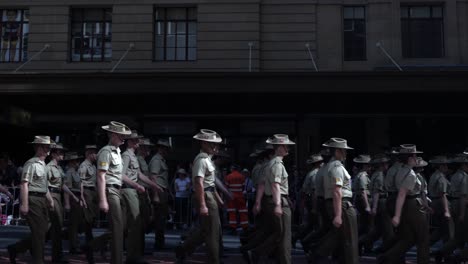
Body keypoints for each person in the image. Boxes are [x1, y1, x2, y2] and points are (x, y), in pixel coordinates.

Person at [84, 121, 131, 264]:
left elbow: (119, 175)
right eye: (121, 135)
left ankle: (91, 246)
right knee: (117, 229)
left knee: (121, 227)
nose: (124, 138)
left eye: (124, 136)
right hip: (110, 191)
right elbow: (101, 175)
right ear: (113, 135)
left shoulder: (117, 151)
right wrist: (103, 199)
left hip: (118, 190)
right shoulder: (106, 151)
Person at [245, 134, 295, 264]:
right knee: (284, 236)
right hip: (278, 201)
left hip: (270, 200)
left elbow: (262, 184)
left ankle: (257, 252)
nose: (288, 149)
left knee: (276, 232)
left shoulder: (268, 164)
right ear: (279, 147)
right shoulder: (277, 164)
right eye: (286, 146)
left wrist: (258, 203)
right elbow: (275, 185)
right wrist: (278, 204)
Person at [175, 129, 223, 264]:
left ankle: (183, 248)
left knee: (206, 230)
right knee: (212, 233)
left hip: (210, 194)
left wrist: (218, 199)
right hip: (205, 196)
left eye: (215, 144)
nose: (215, 147)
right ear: (203, 143)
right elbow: (198, 182)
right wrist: (202, 204)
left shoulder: (207, 159)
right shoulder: (201, 160)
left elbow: (211, 183)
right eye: (211, 144)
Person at [7, 136, 55, 264]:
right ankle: (39, 260)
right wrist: (24, 204)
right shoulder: (31, 163)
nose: (48, 150)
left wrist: (50, 200)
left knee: (43, 231)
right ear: (38, 147)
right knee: (39, 233)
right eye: (45, 147)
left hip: (41, 200)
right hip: (32, 199)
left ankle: (16, 248)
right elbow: (24, 184)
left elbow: (44, 186)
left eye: (49, 147)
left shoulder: (43, 164)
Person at [378, 144, 429, 264]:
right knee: (423, 237)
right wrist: (397, 215)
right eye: (415, 156)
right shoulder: (410, 173)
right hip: (412, 204)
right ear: (410, 158)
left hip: (406, 203)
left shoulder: (400, 169)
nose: (417, 158)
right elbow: (402, 193)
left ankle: (386, 258)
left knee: (408, 238)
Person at [312, 137, 359, 264]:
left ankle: (317, 254)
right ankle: (318, 254)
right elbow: (337, 191)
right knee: (350, 239)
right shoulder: (337, 166)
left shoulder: (329, 166)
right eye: (344, 150)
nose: (346, 153)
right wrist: (338, 215)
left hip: (337, 203)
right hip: (342, 204)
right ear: (338, 151)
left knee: (339, 236)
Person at [121, 130, 161, 263]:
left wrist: (154, 185)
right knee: (132, 225)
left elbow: (140, 175)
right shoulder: (126, 155)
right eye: (136, 140)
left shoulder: (132, 155)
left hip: (134, 191)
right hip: (129, 190)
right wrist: (137, 186)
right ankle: (132, 257)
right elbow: (122, 175)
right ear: (130, 142)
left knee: (135, 225)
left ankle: (134, 256)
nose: (139, 142)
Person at [46, 144, 79, 263]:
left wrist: (73, 196)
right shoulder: (48, 167)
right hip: (51, 195)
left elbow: (62, 185)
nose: (62, 155)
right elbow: (46, 186)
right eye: (60, 153)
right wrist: (50, 201)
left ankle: (57, 256)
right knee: (52, 228)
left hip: (57, 195)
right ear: (53, 154)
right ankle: (56, 257)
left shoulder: (59, 168)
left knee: (56, 228)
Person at [427, 155, 454, 263]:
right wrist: (447, 210)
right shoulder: (440, 177)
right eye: (444, 165)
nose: (446, 167)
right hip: (441, 202)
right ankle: (446, 254)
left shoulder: (435, 175)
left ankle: (426, 245)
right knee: (448, 230)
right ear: (440, 166)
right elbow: (442, 194)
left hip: (435, 202)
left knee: (440, 229)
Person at [364, 153, 393, 252]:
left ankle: (365, 242)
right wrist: (375, 207)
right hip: (381, 201)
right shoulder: (379, 175)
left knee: (379, 228)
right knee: (387, 228)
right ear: (381, 165)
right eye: (385, 164)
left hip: (380, 201)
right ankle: (387, 249)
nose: (387, 166)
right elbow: (377, 192)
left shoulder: (376, 174)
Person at [149, 138, 172, 249]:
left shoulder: (162, 160)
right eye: (163, 148)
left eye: (166, 148)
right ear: (159, 148)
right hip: (159, 191)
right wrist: (156, 195)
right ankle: (158, 244)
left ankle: (160, 242)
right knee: (159, 219)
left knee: (161, 219)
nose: (165, 150)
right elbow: (153, 178)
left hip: (163, 191)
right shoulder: (156, 160)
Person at [63, 152, 84, 255]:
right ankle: (74, 246)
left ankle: (76, 243)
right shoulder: (69, 173)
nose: (78, 163)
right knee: (73, 225)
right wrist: (67, 203)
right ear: (71, 162)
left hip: (77, 198)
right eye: (76, 161)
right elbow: (67, 190)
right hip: (73, 199)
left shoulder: (75, 172)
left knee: (77, 224)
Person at [352, 154, 372, 254]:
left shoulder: (358, 175)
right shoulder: (363, 176)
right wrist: (367, 205)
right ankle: (358, 244)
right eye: (368, 165)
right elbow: (363, 191)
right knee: (367, 226)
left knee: (364, 225)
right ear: (364, 166)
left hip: (360, 200)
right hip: (363, 200)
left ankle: (360, 246)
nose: (370, 167)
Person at [79, 145, 98, 246]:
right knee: (88, 218)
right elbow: (80, 182)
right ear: (88, 154)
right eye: (94, 153)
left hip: (93, 191)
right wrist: (81, 197)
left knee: (93, 216)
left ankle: (89, 239)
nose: (96, 155)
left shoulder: (93, 166)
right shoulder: (84, 166)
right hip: (87, 192)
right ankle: (88, 240)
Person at [225, 164, 248, 232]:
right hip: (240, 196)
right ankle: (245, 227)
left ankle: (233, 228)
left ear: (232, 169)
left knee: (232, 212)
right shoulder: (242, 176)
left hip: (231, 197)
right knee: (243, 212)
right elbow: (243, 187)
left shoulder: (228, 176)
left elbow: (226, 188)